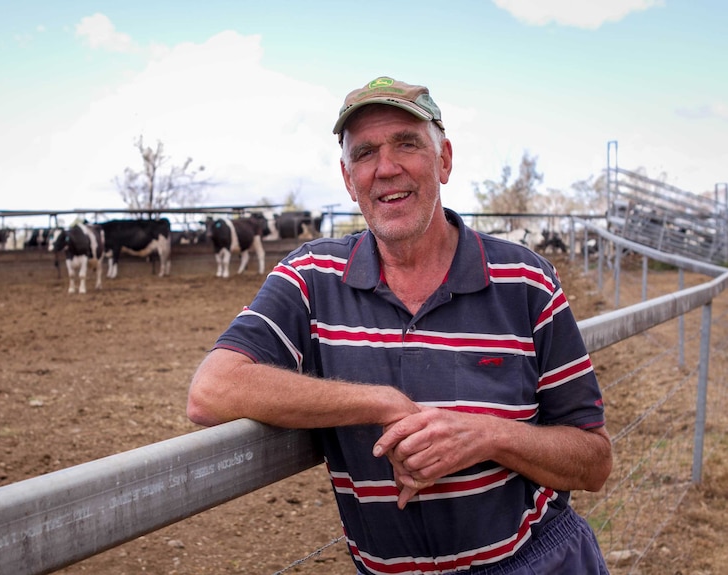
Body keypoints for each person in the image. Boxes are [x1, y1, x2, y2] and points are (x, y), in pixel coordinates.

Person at [187, 76, 612, 574]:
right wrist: (380, 401)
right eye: (364, 153)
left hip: (534, 561)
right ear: (348, 179)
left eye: (407, 144)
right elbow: (212, 391)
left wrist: (485, 436)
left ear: (445, 160)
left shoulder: (524, 280)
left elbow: (593, 460)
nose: (385, 169)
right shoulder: (311, 277)